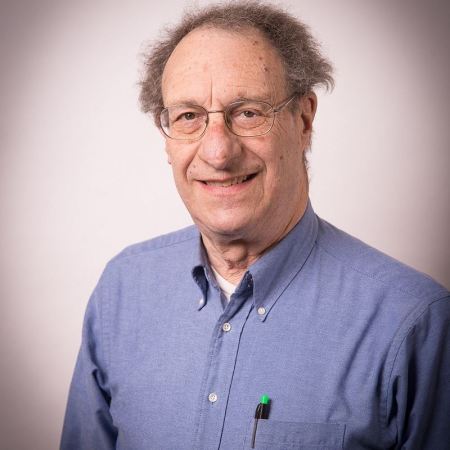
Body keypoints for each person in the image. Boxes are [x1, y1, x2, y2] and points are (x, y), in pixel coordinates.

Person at [61, 2, 450, 449]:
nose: (218, 152)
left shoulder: (413, 321)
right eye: (188, 116)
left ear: (304, 120)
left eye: (248, 112)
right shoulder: (122, 291)